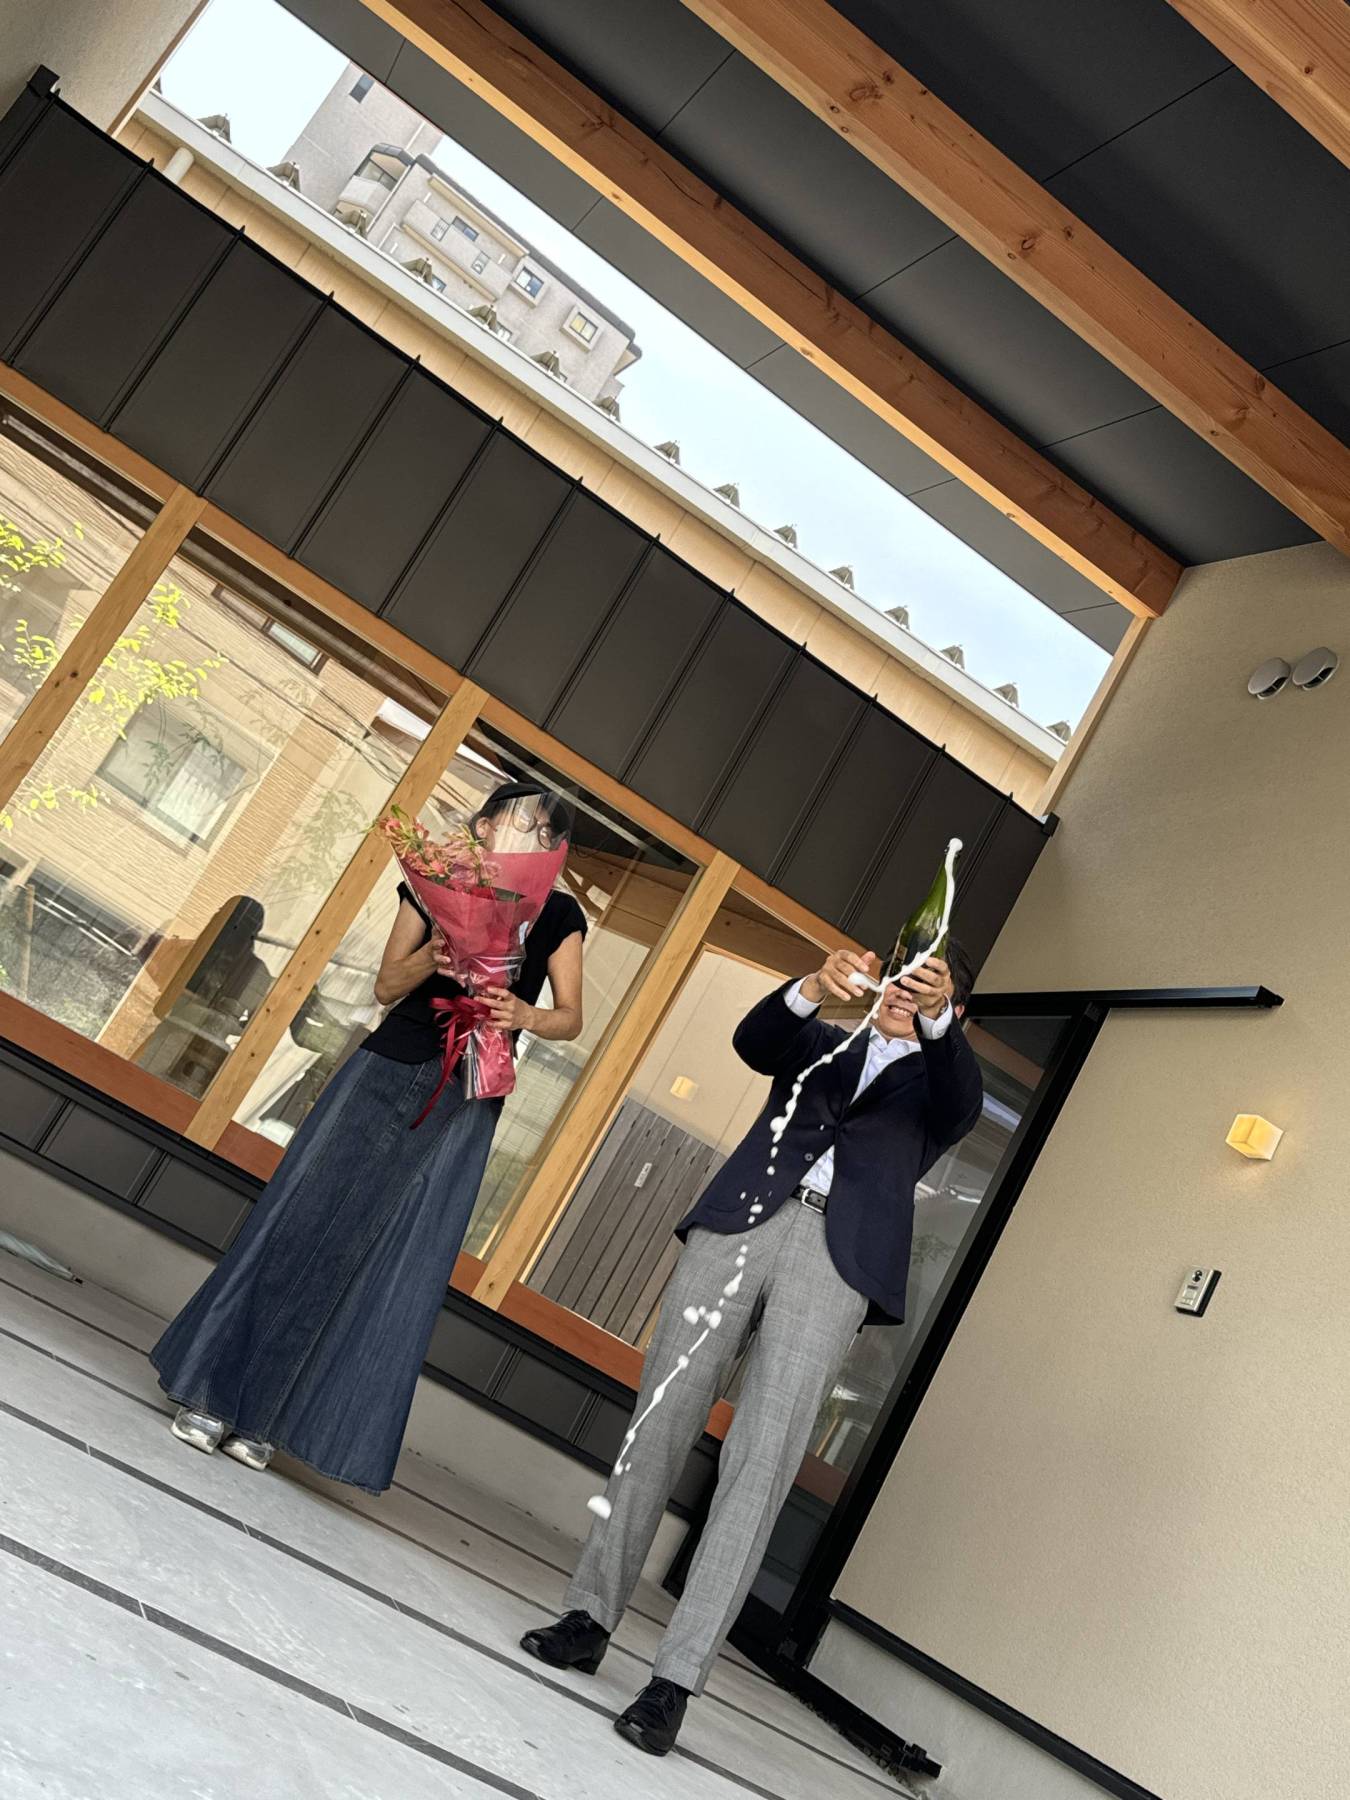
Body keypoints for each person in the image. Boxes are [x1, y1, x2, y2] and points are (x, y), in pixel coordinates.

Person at [521, 940, 983, 1756]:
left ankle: (674, 1682)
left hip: (835, 1267)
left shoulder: (942, 1084)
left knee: (761, 1465)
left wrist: (939, 1017)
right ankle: (587, 1619)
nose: (902, 992)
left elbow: (962, 1100)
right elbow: (755, 1041)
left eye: (925, 987)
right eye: (900, 976)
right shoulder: (822, 1039)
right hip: (739, 1228)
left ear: (951, 1007)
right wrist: (810, 986)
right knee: (659, 1424)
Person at [150, 780, 586, 1490]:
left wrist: (525, 1015)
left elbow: (570, 1016)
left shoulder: (559, 914)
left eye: (547, 833)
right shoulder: (436, 881)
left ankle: (265, 1421)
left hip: (466, 1098)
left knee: (374, 1255)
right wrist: (439, 956)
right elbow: (387, 986)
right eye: (523, 822)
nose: (534, 838)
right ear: (483, 826)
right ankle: (209, 1395)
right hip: (388, 1069)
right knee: (302, 1223)